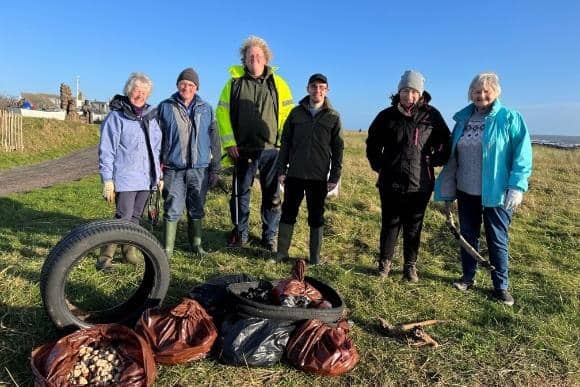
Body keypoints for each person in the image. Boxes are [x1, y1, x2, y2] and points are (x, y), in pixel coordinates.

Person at [434, 72, 532, 306]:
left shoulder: (510, 118)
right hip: (466, 191)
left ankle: (501, 286)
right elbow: (452, 156)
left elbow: (523, 154)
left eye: (486, 90)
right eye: (477, 91)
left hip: (496, 194)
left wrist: (516, 185)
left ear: (496, 93)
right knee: (468, 236)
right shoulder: (462, 121)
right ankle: (468, 277)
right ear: (471, 94)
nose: (481, 95)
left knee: (497, 239)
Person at [366, 70, 451, 281]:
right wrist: (380, 166)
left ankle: (410, 267)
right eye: (405, 91)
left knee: (414, 226)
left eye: (413, 91)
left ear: (420, 93)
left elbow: (446, 142)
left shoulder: (431, 116)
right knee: (390, 223)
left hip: (420, 183)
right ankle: (384, 264)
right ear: (399, 91)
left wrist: (435, 160)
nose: (409, 96)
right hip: (390, 181)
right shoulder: (386, 116)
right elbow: (372, 143)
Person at [217, 35, 294, 253]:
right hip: (242, 150)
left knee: (273, 196)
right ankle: (240, 233)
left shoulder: (279, 84)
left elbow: (288, 115)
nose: (254, 58)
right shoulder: (233, 83)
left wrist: (284, 145)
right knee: (241, 194)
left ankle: (269, 237)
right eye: (250, 55)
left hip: (272, 151)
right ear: (244, 59)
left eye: (258, 55)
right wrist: (229, 142)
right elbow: (222, 114)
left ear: (266, 58)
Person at [275, 73, 344, 265]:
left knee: (316, 217)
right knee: (288, 212)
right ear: (308, 89)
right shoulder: (296, 113)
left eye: (322, 87)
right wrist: (281, 170)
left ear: (327, 90)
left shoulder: (333, 117)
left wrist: (334, 177)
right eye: (314, 86)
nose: (318, 90)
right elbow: (285, 143)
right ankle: (281, 254)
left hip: (318, 177)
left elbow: (338, 149)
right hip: (294, 174)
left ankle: (314, 258)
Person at [98, 72, 162, 270]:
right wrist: (108, 180)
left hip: (145, 179)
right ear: (129, 90)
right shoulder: (116, 117)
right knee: (123, 217)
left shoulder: (151, 117)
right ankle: (105, 258)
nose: (140, 94)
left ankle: (129, 252)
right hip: (125, 178)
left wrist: (158, 176)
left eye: (144, 92)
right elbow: (107, 149)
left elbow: (156, 148)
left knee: (135, 217)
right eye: (136, 90)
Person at [158, 68, 221, 258]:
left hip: (200, 169)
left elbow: (215, 140)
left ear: (197, 88)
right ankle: (167, 249)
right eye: (183, 84)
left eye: (191, 85)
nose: (187, 87)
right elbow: (155, 138)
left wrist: (215, 168)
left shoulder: (206, 108)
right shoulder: (165, 107)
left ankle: (196, 245)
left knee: (197, 208)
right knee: (172, 207)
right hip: (173, 168)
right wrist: (156, 166)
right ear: (177, 85)